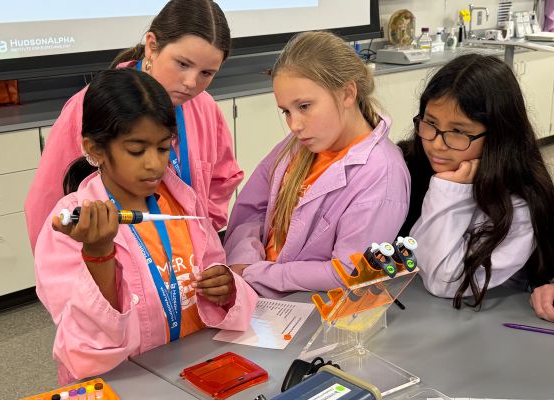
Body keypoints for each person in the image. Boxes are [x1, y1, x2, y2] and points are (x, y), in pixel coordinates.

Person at [34, 69, 257, 384]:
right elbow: (86, 350)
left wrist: (227, 290)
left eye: (164, 148)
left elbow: (215, 273)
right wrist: (98, 255)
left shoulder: (183, 201)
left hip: (193, 371)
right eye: (136, 150)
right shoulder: (73, 226)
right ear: (96, 149)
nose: (154, 164)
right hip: (125, 383)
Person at [25, 0, 242, 252]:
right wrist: (69, 269)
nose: (191, 82)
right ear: (152, 46)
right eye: (182, 64)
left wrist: (200, 231)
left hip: (184, 264)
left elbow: (223, 178)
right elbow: (47, 205)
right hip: (113, 267)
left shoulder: (204, 107)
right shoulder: (89, 106)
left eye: (207, 73)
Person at [223, 31, 410, 299]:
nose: (294, 125)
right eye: (286, 111)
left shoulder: (382, 173)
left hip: (305, 307)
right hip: (253, 292)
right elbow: (253, 210)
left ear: (347, 93)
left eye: (305, 106)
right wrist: (244, 258)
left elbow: (348, 272)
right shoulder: (298, 145)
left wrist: (256, 273)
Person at [399, 54, 554, 309]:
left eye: (459, 132)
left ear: (497, 137)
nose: (437, 144)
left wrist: (449, 190)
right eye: (430, 123)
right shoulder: (410, 164)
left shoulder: (520, 204)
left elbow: (443, 281)